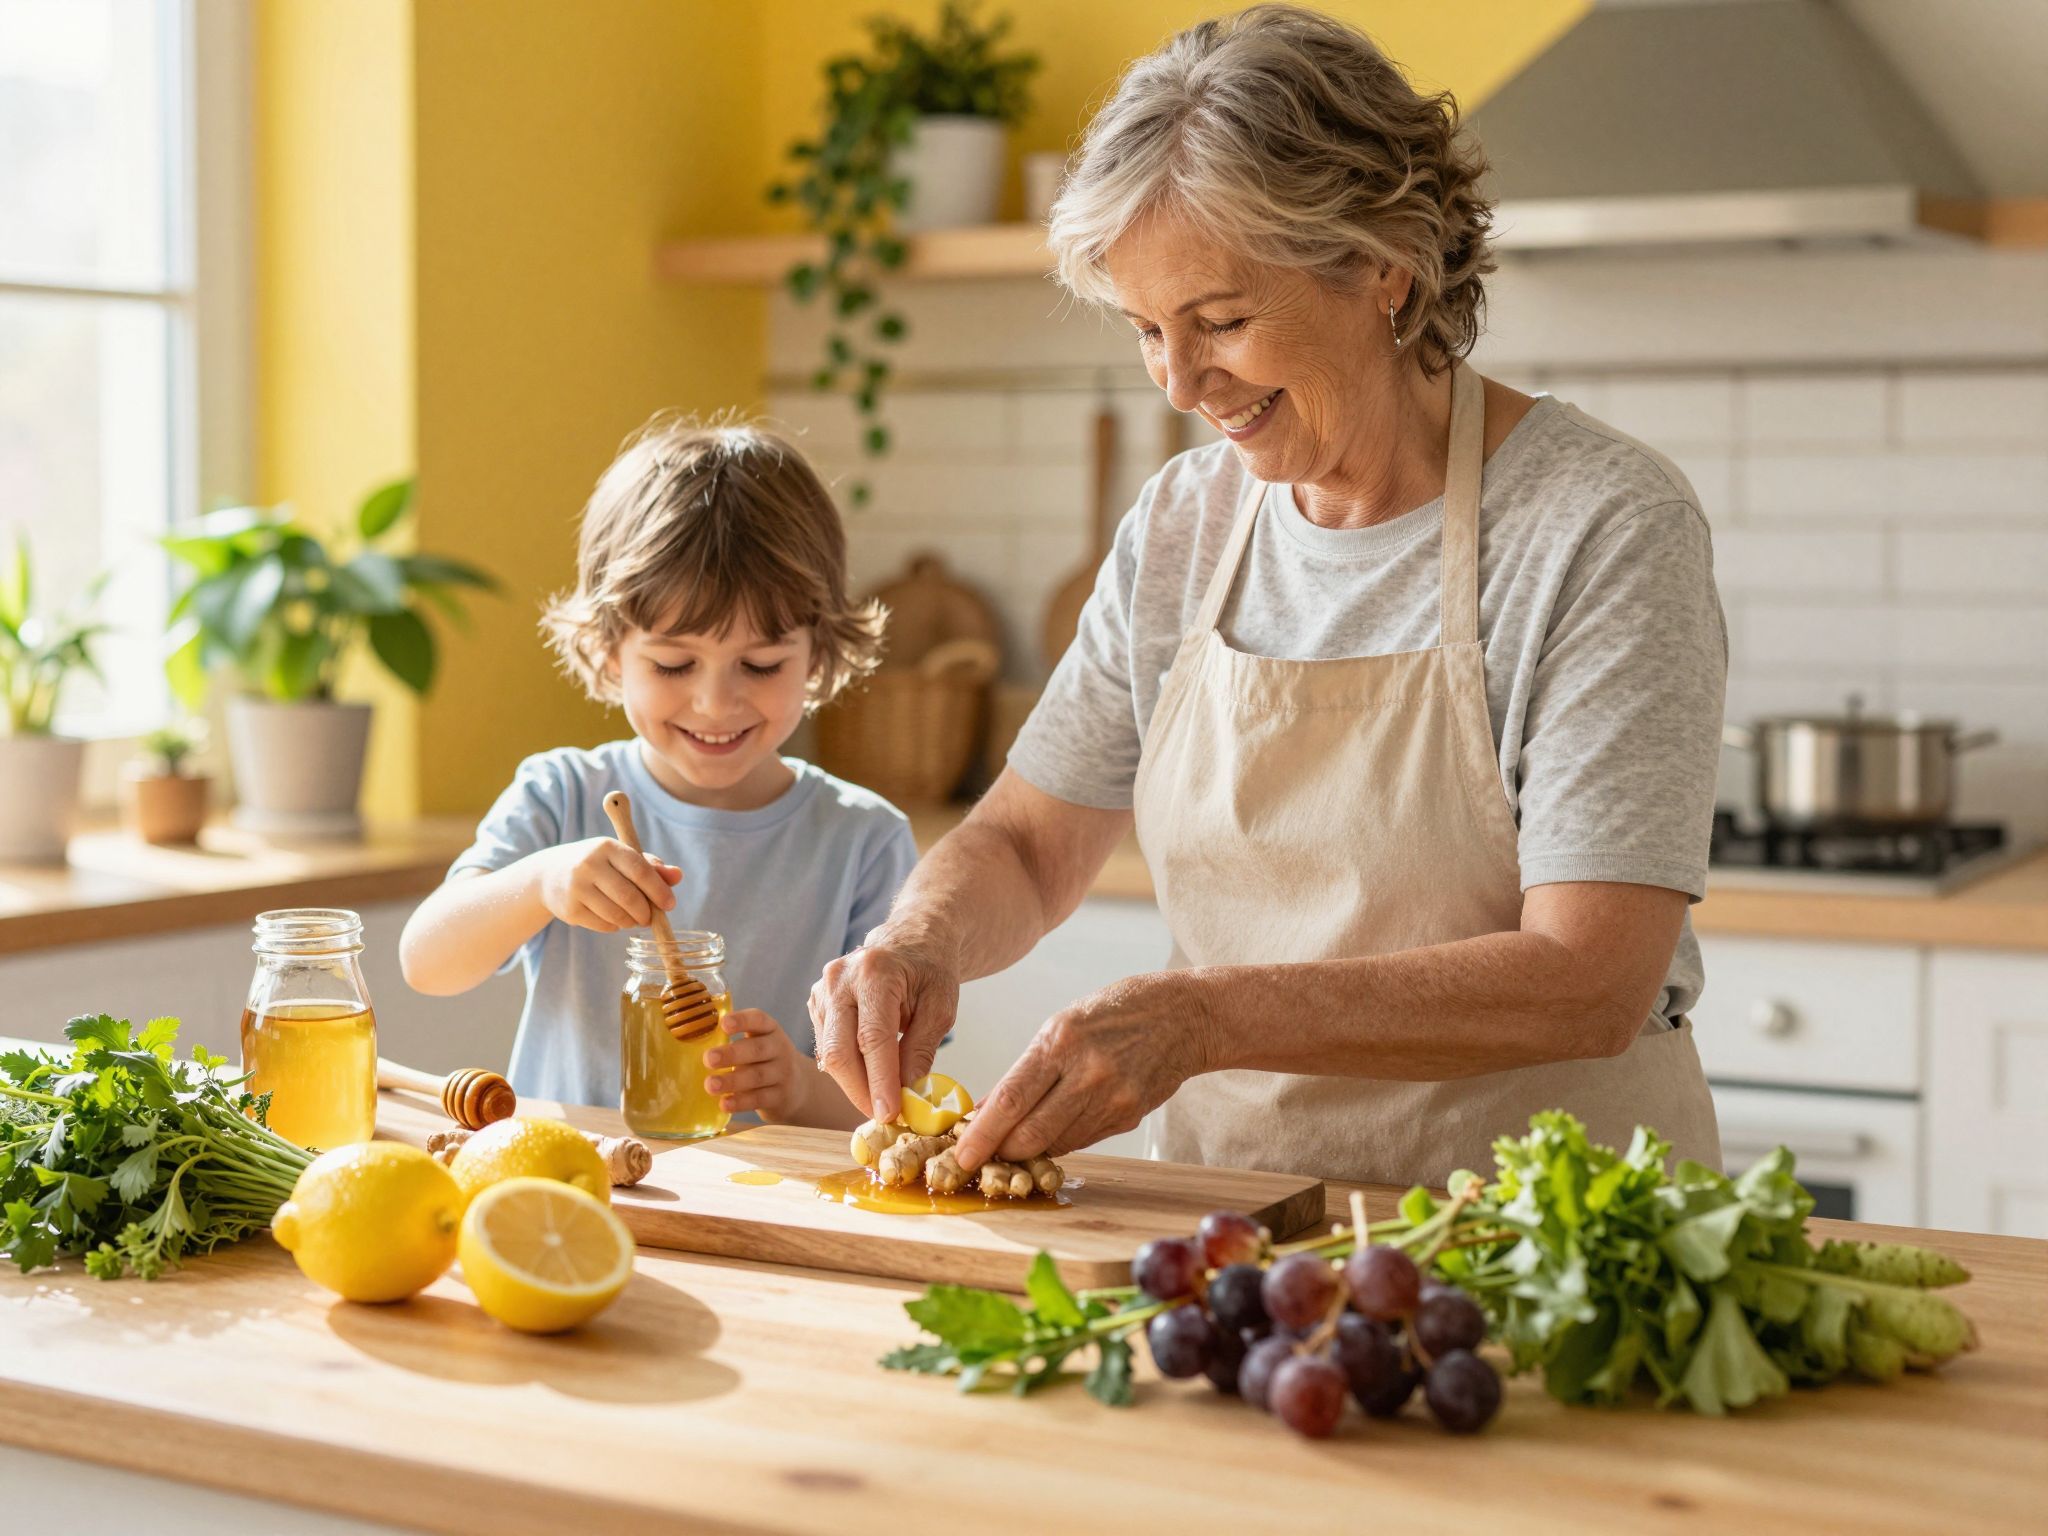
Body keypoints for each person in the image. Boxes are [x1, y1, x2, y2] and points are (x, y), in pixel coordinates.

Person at [809, 4, 1724, 1185]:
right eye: (1145, 330)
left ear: (1381, 265)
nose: (1181, 382)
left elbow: (1589, 979)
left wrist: (1201, 1018)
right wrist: (915, 941)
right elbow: (1029, 848)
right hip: (1236, 1233)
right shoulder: (1181, 527)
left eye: (1221, 322)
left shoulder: (1597, 523)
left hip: (1541, 1236)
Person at [402, 416, 916, 1130]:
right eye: (674, 664)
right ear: (611, 652)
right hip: (566, 1189)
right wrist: (541, 882)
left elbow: (897, 1099)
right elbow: (427, 962)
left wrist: (798, 1087)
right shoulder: (561, 797)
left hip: (757, 1210)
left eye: (761, 665)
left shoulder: (863, 843)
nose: (716, 701)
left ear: (819, 652)